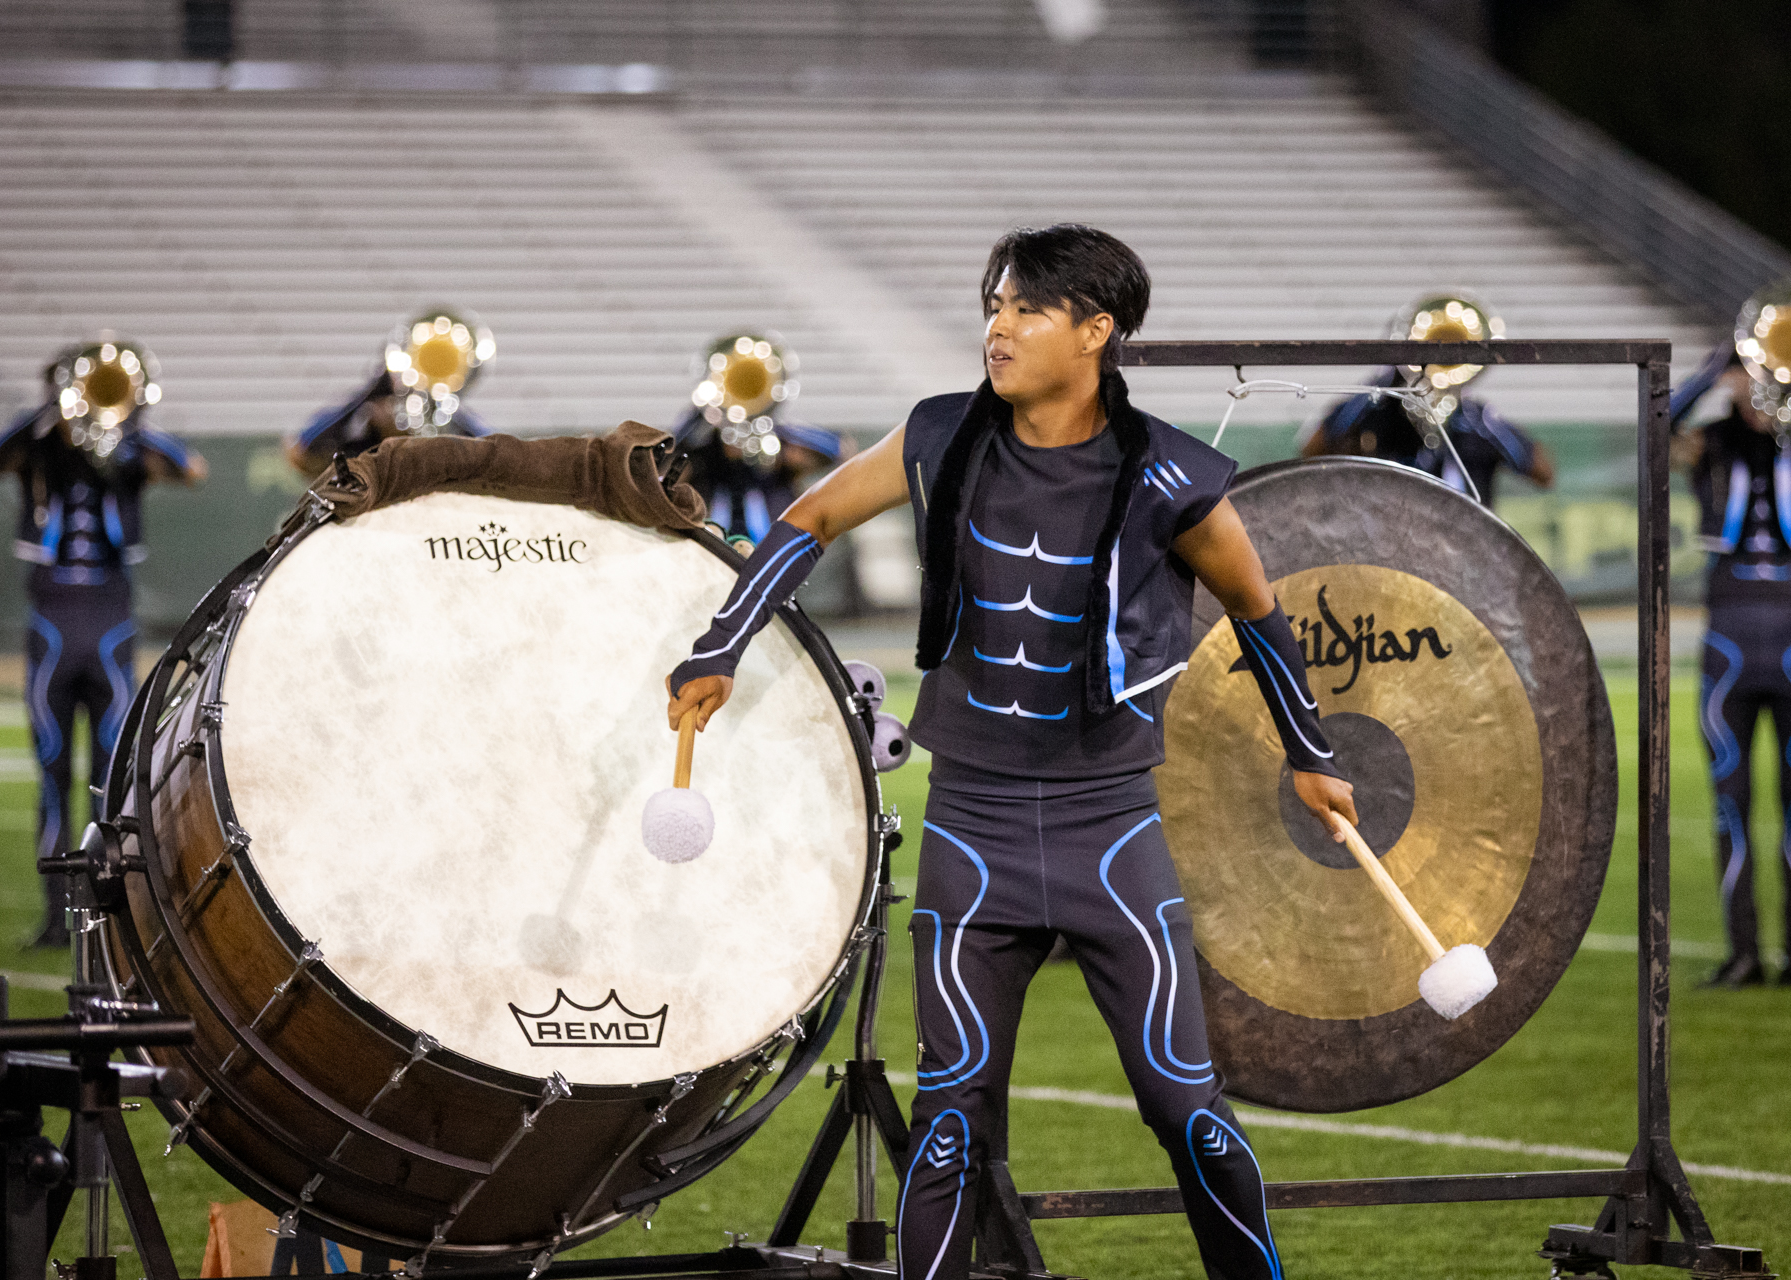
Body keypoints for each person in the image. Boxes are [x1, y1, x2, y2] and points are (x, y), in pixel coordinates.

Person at [663, 225, 1355, 1280]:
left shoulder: (1174, 472)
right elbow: (811, 517)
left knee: (1189, 1110)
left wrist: (1312, 751)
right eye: (994, 304)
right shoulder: (939, 433)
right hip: (972, 829)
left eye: (1027, 308)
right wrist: (719, 643)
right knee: (951, 1115)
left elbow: (1258, 613)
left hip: (1111, 830)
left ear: (1095, 329)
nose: (998, 326)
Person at [0, 337, 205, 948]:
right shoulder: (39, 443)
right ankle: (56, 918)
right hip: (52, 620)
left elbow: (189, 468)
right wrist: (55, 411)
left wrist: (129, 417)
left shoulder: (132, 450)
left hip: (110, 621)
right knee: (52, 771)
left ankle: (113, 916)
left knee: (113, 772)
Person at [1672, 310, 1791, 988]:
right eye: (1748, 370)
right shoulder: (1710, 442)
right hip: (1730, 643)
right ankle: (1744, 954)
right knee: (1731, 805)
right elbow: (1655, 425)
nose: (1758, 382)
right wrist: (1715, 364)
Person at [1304, 294, 1555, 507]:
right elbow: (1312, 449)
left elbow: (1543, 473)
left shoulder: (1477, 419)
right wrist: (1382, 384)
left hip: (1466, 543)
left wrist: (1485, 426)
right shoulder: (1375, 407)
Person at [670, 332, 846, 542]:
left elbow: (840, 449)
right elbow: (663, 462)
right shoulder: (704, 455)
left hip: (769, 553)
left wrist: (773, 422)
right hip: (708, 555)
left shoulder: (778, 454)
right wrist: (701, 412)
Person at [286, 310, 495, 475]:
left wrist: (448, 406)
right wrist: (369, 393)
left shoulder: (453, 432)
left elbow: (495, 452)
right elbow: (302, 449)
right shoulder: (358, 444)